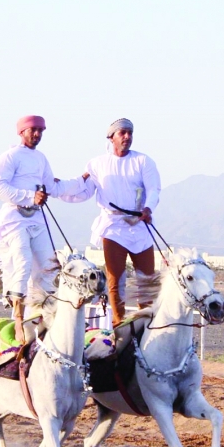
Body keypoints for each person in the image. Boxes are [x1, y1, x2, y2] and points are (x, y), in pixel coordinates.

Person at [0, 115, 87, 341]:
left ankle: (43, 319)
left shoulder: (41, 158)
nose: (37, 134)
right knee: (22, 263)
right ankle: (18, 322)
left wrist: (80, 181)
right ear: (21, 132)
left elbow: (53, 187)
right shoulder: (9, 157)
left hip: (37, 218)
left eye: (41, 131)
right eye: (33, 130)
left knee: (49, 268)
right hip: (15, 218)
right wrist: (29, 196)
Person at [63, 118, 162, 325]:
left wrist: (148, 208)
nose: (127, 137)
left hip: (139, 224)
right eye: (122, 133)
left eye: (130, 133)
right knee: (115, 281)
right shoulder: (97, 164)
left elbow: (154, 189)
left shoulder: (143, 161)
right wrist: (58, 189)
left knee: (147, 282)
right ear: (111, 137)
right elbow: (83, 191)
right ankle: (119, 326)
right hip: (112, 227)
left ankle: (146, 326)